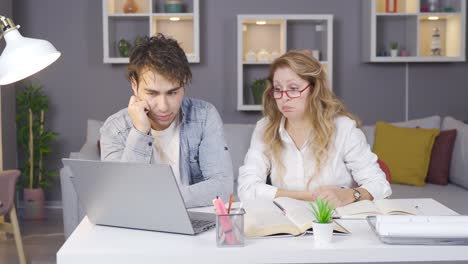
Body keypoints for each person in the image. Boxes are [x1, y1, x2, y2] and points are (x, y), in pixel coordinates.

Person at [237, 50, 391, 207]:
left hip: (335, 223)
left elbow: (380, 185)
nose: (284, 97)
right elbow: (247, 188)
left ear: (314, 90)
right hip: (287, 223)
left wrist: (349, 195)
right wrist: (306, 197)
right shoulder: (265, 128)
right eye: (277, 89)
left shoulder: (344, 128)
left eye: (293, 88)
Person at [100, 34, 233, 208]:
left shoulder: (205, 116)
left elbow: (222, 188)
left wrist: (158, 201)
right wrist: (140, 131)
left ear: (183, 83)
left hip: (191, 220)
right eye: (152, 93)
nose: (163, 106)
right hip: (137, 226)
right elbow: (118, 197)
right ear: (134, 84)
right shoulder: (114, 128)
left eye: (172, 92)